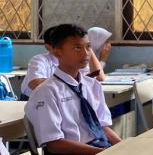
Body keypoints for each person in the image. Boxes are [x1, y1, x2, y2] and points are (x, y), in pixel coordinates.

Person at [25, 24, 121, 155]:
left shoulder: (92, 85)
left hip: (99, 148)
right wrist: (103, 153)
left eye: (88, 47)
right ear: (58, 52)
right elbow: (54, 144)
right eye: (77, 48)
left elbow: (102, 126)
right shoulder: (47, 92)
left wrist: (123, 146)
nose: (86, 53)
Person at [20, 26, 105, 101]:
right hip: (34, 101)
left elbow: (98, 76)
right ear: (48, 47)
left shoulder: (74, 60)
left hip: (65, 99)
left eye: (87, 46)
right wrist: (69, 82)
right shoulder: (40, 60)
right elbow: (35, 84)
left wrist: (87, 47)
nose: (84, 52)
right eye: (77, 47)